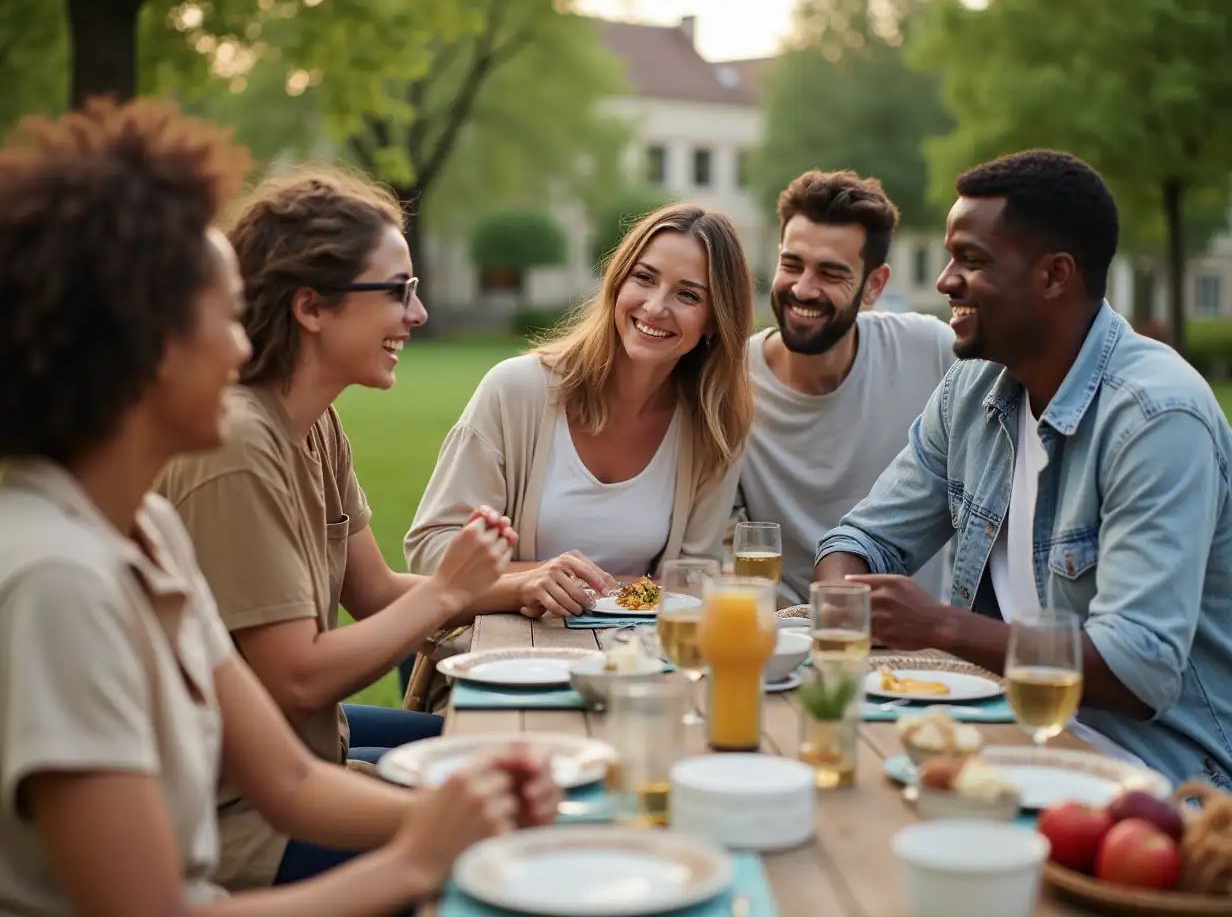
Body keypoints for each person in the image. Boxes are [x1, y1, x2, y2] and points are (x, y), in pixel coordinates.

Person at [0, 96, 558, 917]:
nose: (241, 346)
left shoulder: (144, 531)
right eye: (223, 319)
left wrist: (464, 820)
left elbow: (292, 779)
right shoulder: (58, 583)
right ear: (142, 345)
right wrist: (416, 862)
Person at [154, 166, 550, 891]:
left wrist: (520, 587)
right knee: (516, 841)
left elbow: (370, 591)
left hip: (305, 761)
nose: (419, 314)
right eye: (398, 291)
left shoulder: (316, 424)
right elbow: (297, 681)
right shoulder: (239, 446)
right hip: (239, 823)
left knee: (524, 752)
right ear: (312, 307)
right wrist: (448, 594)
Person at [814, 149, 1232, 788]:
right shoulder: (972, 388)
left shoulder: (1156, 418)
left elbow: (1138, 667)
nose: (947, 280)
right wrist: (846, 601)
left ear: (1054, 276)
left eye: (973, 261)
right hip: (1003, 735)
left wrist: (940, 627)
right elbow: (865, 540)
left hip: (1156, 777)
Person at [403, 203, 756, 705]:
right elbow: (431, 552)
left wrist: (617, 590)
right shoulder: (516, 391)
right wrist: (529, 580)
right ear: (617, 283)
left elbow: (692, 580)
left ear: (716, 321)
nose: (656, 307)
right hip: (500, 674)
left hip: (634, 677)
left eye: (688, 294)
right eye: (644, 278)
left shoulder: (715, 429)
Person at [732, 170, 954, 607]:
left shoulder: (931, 351)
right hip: (783, 635)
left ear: (874, 285)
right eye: (791, 264)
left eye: (831, 273)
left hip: (917, 648)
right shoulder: (729, 379)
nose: (802, 288)